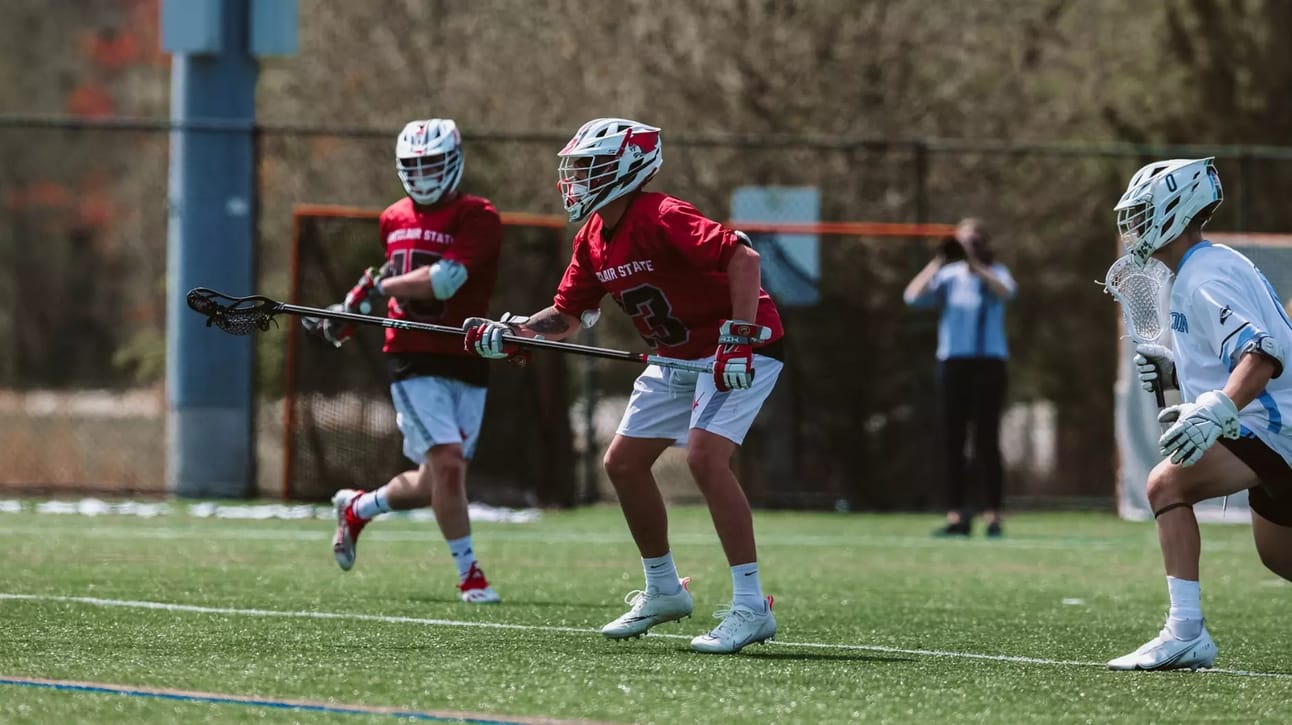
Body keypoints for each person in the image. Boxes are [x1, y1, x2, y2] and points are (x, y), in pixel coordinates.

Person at [461, 118, 784, 653]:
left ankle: (751, 607)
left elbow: (743, 258)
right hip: (676, 355)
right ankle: (664, 590)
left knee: (705, 458)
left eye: (589, 167)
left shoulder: (662, 215)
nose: (576, 179)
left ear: (627, 166)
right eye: (576, 169)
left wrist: (738, 338)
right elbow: (565, 316)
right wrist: (512, 332)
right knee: (623, 463)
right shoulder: (592, 237)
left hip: (738, 347)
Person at [1108, 157, 1292, 670]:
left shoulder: (1203, 274)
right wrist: (1176, 373)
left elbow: (1261, 354)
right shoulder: (1203, 268)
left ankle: (1186, 632)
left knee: (1165, 485)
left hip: (1275, 427)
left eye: (1143, 212)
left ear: (1175, 208)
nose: (1134, 226)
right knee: (1281, 557)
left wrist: (1215, 407)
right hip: (1271, 424)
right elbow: (1231, 356)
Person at [310, 118, 503, 604]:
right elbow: (391, 274)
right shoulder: (392, 217)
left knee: (431, 482)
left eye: (432, 164)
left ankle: (358, 508)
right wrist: (354, 306)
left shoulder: (477, 215)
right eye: (414, 166)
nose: (423, 174)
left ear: (453, 162)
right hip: (411, 355)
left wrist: (377, 289)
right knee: (450, 466)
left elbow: (443, 282)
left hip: (466, 355)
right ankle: (470, 576)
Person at [903, 219, 1017, 537]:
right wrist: (939, 261)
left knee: (987, 440)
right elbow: (911, 296)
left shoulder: (997, 272)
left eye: (972, 241)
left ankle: (993, 514)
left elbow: (1006, 292)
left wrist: (975, 266)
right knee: (952, 440)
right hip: (953, 362)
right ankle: (957, 514)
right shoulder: (948, 277)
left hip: (989, 363)